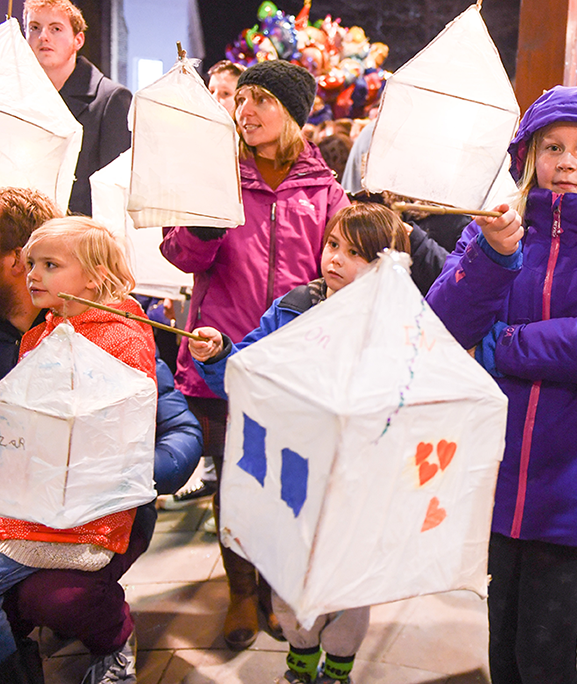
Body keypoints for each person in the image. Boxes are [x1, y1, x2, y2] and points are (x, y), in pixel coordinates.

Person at [425, 85, 577, 684]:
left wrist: (503, 344)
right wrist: (490, 256)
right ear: (528, 155)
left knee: (546, 655)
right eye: (552, 146)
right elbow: (440, 324)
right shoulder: (494, 233)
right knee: (503, 648)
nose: (566, 162)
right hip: (496, 470)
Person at [0, 189, 201, 684]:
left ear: (11, 261)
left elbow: (174, 429)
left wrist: (126, 472)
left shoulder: (119, 331)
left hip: (93, 518)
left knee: (54, 598)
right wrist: (0, 456)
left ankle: (112, 642)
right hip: (3, 519)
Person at [161, 58, 349, 651]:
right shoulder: (217, 176)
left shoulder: (323, 187)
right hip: (223, 351)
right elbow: (179, 255)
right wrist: (207, 227)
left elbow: (344, 266)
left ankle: (273, 586)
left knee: (288, 474)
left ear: (292, 113)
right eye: (242, 101)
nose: (245, 112)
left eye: (261, 100)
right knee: (236, 480)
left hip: (299, 360)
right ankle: (242, 590)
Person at [188, 203, 411, 684]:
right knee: (289, 584)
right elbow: (244, 370)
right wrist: (220, 351)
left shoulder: (400, 326)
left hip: (357, 480)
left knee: (347, 586)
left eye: (356, 254)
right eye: (333, 245)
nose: (335, 259)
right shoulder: (294, 307)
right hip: (292, 472)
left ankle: (338, 669)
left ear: (387, 267)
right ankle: (300, 659)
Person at [164, 61, 246, 511]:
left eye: (229, 93)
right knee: (225, 454)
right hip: (216, 335)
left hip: (271, 332)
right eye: (212, 91)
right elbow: (178, 252)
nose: (219, 101)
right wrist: (205, 227)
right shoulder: (199, 166)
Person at [24, 0, 132, 216]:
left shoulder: (110, 99)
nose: (43, 36)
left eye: (56, 29)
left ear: (78, 39)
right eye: (34, 27)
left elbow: (114, 194)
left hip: (80, 240)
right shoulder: (19, 96)